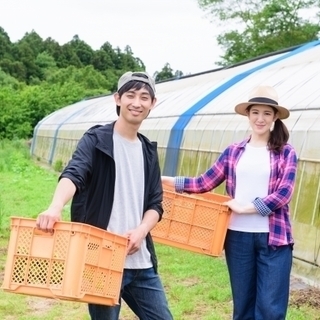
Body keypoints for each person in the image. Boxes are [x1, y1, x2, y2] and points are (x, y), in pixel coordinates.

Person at [36, 71, 173, 320]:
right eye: (130, 95)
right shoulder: (97, 140)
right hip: (101, 260)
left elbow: (155, 203)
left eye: (144, 97)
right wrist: (55, 206)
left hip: (140, 262)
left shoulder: (148, 151)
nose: (137, 103)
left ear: (153, 103)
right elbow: (74, 173)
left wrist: (142, 231)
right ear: (118, 99)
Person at [162, 85, 297, 320]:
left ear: (275, 116)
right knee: (243, 307)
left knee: (270, 309)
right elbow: (204, 182)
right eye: (255, 112)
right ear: (248, 115)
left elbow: (284, 193)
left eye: (267, 113)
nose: (260, 118)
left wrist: (247, 207)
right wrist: (166, 180)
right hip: (238, 237)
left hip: (274, 239)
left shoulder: (286, 152)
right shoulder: (234, 151)